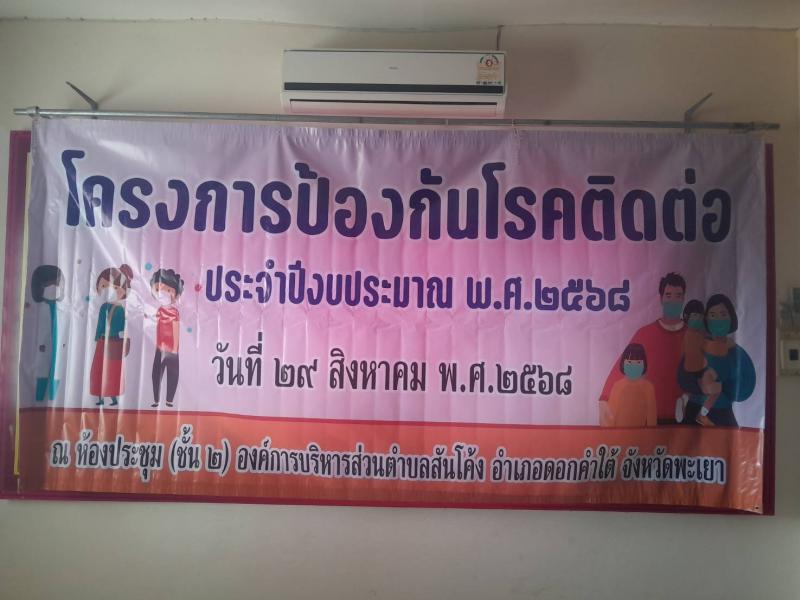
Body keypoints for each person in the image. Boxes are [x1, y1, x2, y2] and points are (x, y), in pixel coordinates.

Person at [599, 272, 687, 425]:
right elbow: (622, 367)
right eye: (668, 295)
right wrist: (604, 399)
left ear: (683, 298)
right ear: (661, 298)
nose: (673, 301)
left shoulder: (694, 336)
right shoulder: (645, 334)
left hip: (685, 420)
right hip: (650, 419)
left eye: (678, 296)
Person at [678, 294, 756, 427]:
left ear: (731, 317)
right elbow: (683, 375)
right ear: (706, 320)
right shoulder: (699, 346)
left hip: (723, 412)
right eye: (713, 315)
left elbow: (746, 386)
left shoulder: (736, 353)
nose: (718, 320)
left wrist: (724, 385)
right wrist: (699, 384)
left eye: (723, 314)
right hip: (694, 408)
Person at [89, 264, 133, 407]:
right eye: (104, 286)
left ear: (124, 291)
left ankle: (113, 398)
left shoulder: (120, 309)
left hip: (113, 343)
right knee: (99, 370)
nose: (108, 290)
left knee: (112, 371)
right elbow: (100, 325)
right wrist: (97, 338)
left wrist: (123, 341)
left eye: (114, 287)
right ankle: (101, 397)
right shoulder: (103, 307)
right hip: (102, 343)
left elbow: (121, 328)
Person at [675, 299, 716, 424]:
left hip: (686, 372)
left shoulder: (689, 334)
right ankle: (701, 413)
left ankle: (685, 399)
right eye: (694, 316)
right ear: (687, 317)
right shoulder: (694, 335)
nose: (697, 319)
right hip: (693, 371)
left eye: (700, 316)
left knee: (696, 392)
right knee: (712, 390)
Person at [30, 265, 66, 401]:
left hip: (57, 343)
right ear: (39, 287)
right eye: (48, 285)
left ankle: (53, 398)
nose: (54, 288)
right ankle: (39, 398)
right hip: (43, 346)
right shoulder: (38, 308)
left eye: (56, 284)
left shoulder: (62, 308)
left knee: (57, 369)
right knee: (42, 370)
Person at [150, 268, 183, 408]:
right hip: (160, 346)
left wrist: (175, 348)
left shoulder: (174, 312)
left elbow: (175, 329)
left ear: (175, 294)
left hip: (171, 349)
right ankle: (156, 400)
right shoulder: (159, 310)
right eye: (158, 289)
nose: (162, 293)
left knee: (172, 374)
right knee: (156, 373)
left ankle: (169, 400)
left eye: (168, 290)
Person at [602, 343, 657, 427]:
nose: (634, 366)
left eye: (638, 362)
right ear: (623, 364)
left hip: (640, 434)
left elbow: (652, 419)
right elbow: (611, 417)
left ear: (644, 364)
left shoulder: (648, 387)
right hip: (619, 433)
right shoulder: (617, 386)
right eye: (630, 362)